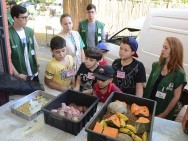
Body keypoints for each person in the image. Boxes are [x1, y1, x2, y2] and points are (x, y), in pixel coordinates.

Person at [144, 37, 187, 120]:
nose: (162, 50)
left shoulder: (179, 74)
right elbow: (149, 86)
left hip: (162, 111)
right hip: (147, 107)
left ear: (174, 50)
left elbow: (176, 97)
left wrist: (164, 114)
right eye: (163, 47)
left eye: (166, 48)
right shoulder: (156, 65)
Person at [9, 5, 39, 81]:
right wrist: (16, 74)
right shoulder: (8, 34)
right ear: (15, 18)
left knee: (37, 92)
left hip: (34, 72)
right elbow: (7, 58)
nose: (26, 20)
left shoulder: (30, 31)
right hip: (20, 75)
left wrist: (37, 65)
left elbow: (34, 51)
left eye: (27, 17)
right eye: (23, 18)